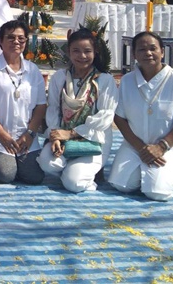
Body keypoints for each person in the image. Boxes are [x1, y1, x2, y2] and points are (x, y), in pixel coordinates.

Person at [109, 32, 173, 201]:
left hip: (169, 147)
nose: (148, 53)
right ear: (134, 54)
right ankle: (146, 170)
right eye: (141, 49)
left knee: (157, 192)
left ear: (162, 52)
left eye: (153, 48)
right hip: (135, 146)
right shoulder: (127, 81)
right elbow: (119, 118)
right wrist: (141, 148)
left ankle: (160, 173)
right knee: (122, 185)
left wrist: (161, 147)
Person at [37, 28, 117, 193]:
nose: (82, 56)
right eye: (76, 51)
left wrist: (71, 134)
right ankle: (75, 170)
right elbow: (53, 109)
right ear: (68, 52)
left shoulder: (104, 80)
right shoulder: (59, 77)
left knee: (74, 184)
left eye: (87, 51)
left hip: (93, 139)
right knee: (46, 163)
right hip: (63, 138)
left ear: (95, 52)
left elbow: (105, 117)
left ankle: (81, 174)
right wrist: (55, 137)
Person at [0, 20, 46, 185]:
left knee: (34, 177)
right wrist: (2, 135)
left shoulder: (33, 70)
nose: (16, 42)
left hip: (25, 135)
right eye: (11, 38)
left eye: (21, 38)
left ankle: (15, 159)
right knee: (6, 175)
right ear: (0, 41)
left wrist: (30, 134)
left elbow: (41, 105)